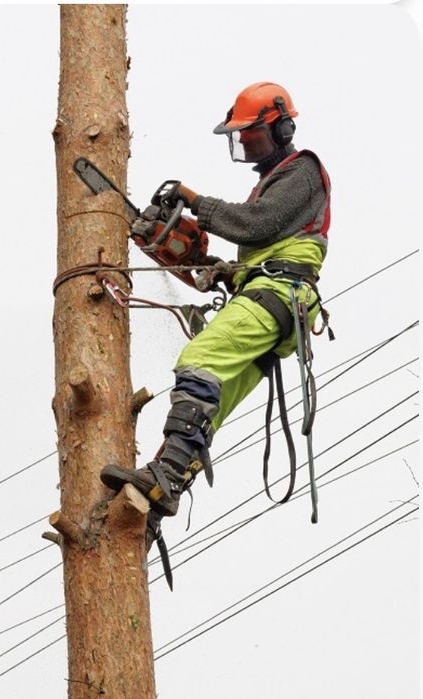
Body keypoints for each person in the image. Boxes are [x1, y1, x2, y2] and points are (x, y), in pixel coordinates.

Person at [99, 82, 331, 549]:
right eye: (240, 135)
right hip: (270, 296)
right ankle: (162, 492)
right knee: (213, 401)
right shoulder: (270, 181)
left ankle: (163, 478)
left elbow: (256, 223)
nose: (244, 142)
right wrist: (205, 265)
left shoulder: (302, 171)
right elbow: (253, 248)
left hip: (279, 294)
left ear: (283, 127)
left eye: (251, 133)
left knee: (199, 359)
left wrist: (196, 203)